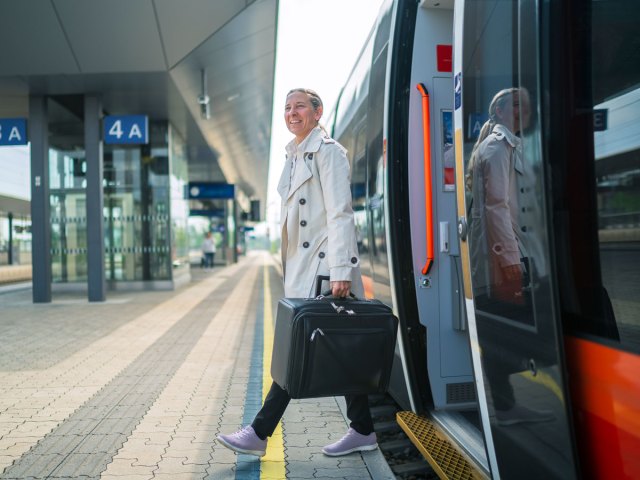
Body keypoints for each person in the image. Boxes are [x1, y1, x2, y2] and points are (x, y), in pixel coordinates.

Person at [216, 88, 376, 457]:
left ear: (317, 113)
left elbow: (340, 213)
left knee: (297, 345)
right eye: (287, 108)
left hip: (324, 268)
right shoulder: (293, 156)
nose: (292, 113)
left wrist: (340, 270)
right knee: (340, 348)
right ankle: (364, 428)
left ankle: (259, 432)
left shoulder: (329, 152)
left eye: (300, 106)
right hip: (306, 269)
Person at [466, 87, 554, 426]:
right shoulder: (497, 147)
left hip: (520, 254)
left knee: (505, 332)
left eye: (527, 106)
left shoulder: (511, 145)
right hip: (507, 260)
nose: (524, 111)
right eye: (516, 105)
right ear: (499, 111)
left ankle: (507, 406)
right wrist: (510, 263)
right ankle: (506, 408)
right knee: (504, 334)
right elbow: (496, 208)